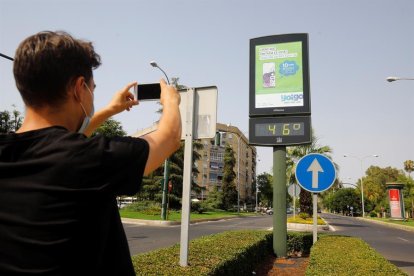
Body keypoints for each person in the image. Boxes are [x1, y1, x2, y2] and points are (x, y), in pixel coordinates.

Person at [0, 31, 181, 275]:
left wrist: (109, 110)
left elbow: (61, 146)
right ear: (78, 88)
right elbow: (168, 138)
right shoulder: (90, 159)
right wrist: (171, 100)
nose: (93, 96)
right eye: (92, 88)